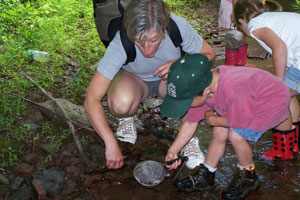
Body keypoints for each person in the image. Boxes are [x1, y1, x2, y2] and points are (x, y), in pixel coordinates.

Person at [84, 0, 215, 169]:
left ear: (164, 28)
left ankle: (189, 139)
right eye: (138, 41)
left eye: (153, 40)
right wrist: (109, 142)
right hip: (134, 79)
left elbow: (209, 54)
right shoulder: (122, 40)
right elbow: (91, 98)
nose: (147, 49)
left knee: (188, 80)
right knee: (119, 104)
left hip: (167, 81)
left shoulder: (177, 26)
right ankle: (126, 118)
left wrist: (180, 62)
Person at [160, 54, 294, 199]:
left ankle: (248, 176)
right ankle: (208, 172)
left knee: (236, 135)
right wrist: (173, 150)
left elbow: (241, 121)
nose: (185, 107)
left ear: (205, 91)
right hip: (245, 102)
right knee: (219, 130)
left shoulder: (232, 89)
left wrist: (213, 121)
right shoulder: (203, 84)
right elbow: (190, 122)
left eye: (186, 102)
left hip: (271, 101)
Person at [233, 0, 300, 159]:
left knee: (279, 99)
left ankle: (282, 151)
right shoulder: (272, 18)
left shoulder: (254, 24)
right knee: (290, 96)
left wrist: (277, 82)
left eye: (239, 26)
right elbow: (287, 45)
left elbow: (279, 47)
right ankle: (294, 143)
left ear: (242, 21)